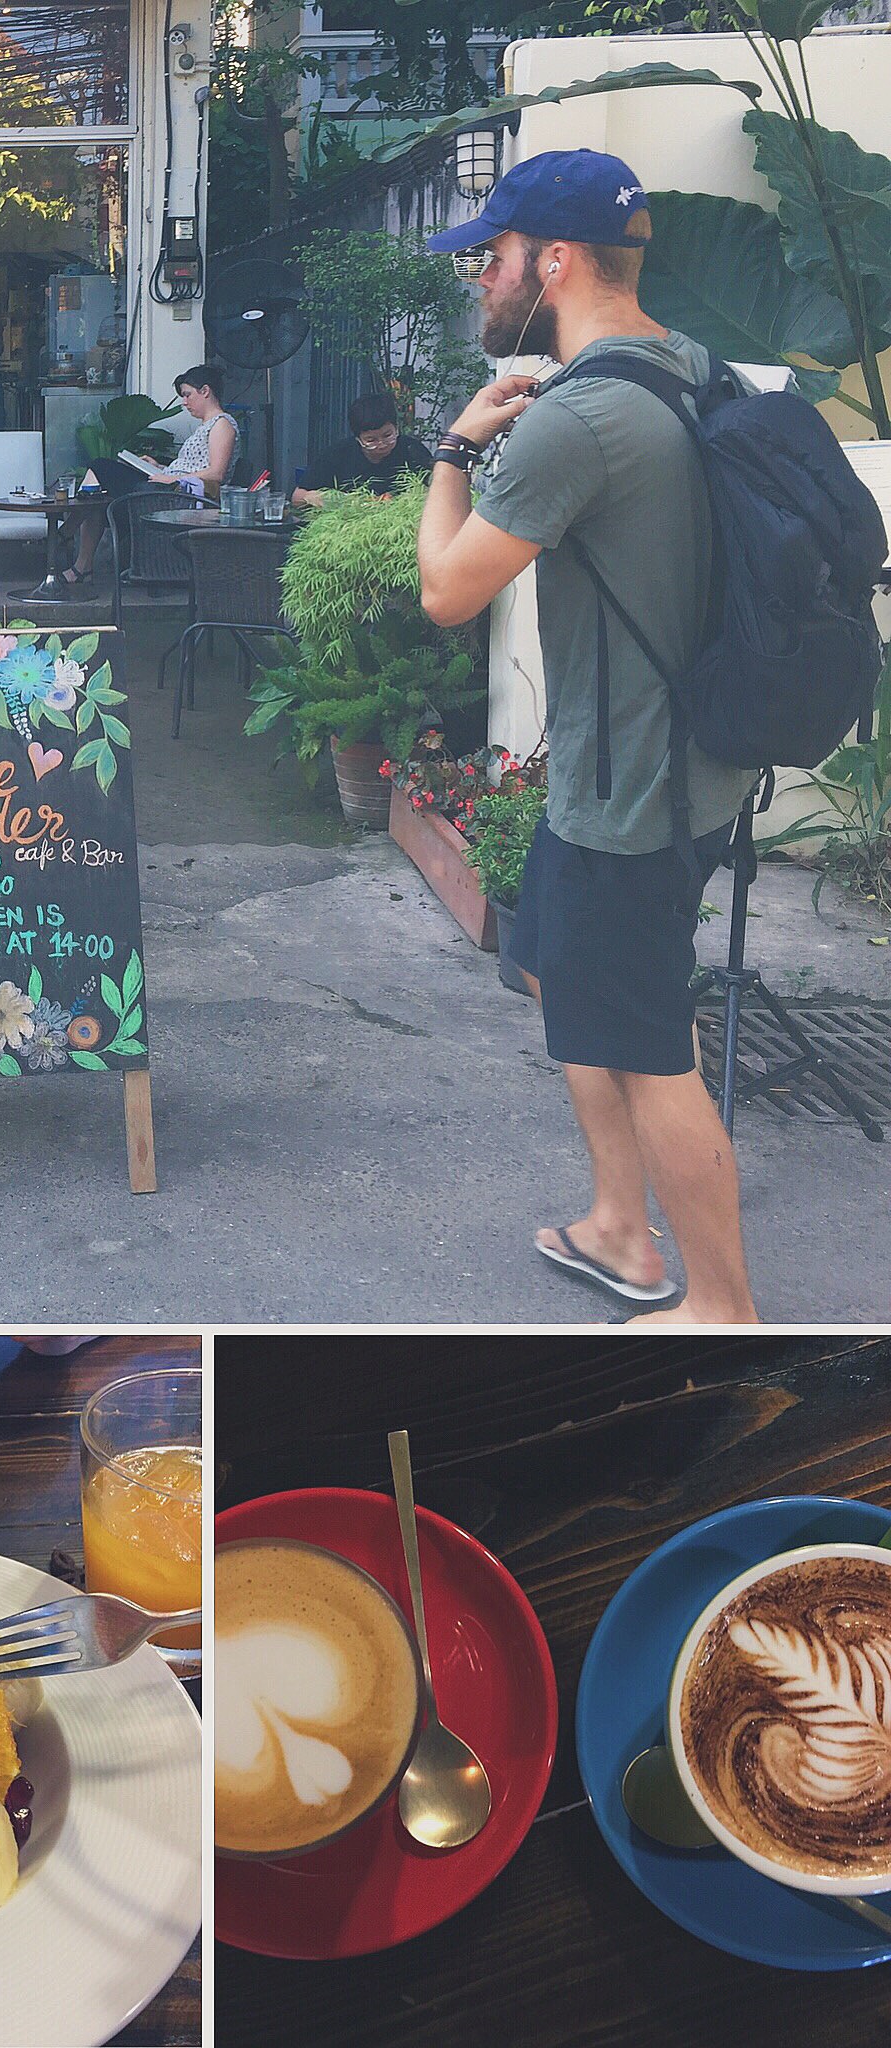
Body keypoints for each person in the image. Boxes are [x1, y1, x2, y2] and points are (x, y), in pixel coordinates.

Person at [416, 148, 759, 1326]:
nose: (482, 282)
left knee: (646, 1039)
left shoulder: (583, 418)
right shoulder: (686, 369)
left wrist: (450, 453)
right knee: (562, 970)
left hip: (633, 792)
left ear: (550, 262)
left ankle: (718, 1302)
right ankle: (619, 1227)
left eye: (493, 260)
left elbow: (446, 592)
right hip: (663, 768)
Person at [55, 361, 240, 588]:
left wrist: (171, 478)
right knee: (97, 501)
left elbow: (216, 472)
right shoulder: (206, 426)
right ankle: (81, 568)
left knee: (100, 466)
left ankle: (67, 533)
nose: (184, 402)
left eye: (187, 395)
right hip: (166, 488)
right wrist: (161, 467)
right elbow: (194, 466)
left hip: (177, 497)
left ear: (205, 391)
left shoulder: (222, 425)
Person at [291, 391, 433, 507]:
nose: (382, 444)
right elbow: (297, 497)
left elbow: (440, 487)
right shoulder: (337, 454)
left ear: (396, 428)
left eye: (388, 435)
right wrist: (324, 498)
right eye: (371, 440)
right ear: (358, 438)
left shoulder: (412, 450)